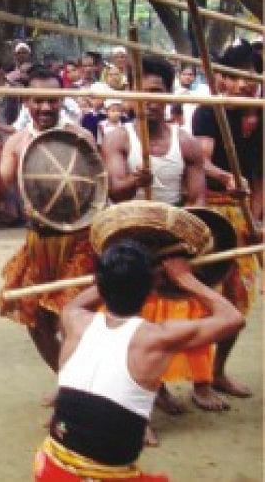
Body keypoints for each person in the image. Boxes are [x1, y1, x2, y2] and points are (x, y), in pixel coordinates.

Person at [34, 240, 243, 481]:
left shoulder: (74, 319)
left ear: (100, 283)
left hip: (49, 469)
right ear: (152, 288)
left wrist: (112, 276)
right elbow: (233, 318)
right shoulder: (157, 338)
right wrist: (186, 278)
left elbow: (74, 303)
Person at [102, 56, 217, 426]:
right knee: (135, 320)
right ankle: (145, 403)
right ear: (130, 94)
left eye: (156, 92)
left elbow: (198, 199)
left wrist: (185, 239)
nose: (149, 100)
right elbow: (116, 191)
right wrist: (136, 181)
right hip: (129, 237)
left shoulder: (186, 142)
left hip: (171, 236)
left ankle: (195, 383)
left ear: (169, 94)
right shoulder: (119, 138)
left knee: (187, 310)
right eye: (141, 91)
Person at [0, 66, 97, 373]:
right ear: (26, 101)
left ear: (61, 99)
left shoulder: (80, 137)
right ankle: (66, 380)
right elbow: (4, 187)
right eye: (38, 100)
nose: (45, 107)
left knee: (74, 315)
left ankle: (83, 382)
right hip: (38, 240)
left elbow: (97, 189)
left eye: (52, 100)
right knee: (36, 319)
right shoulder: (16, 142)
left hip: (79, 238)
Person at [192, 40, 262, 400]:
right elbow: (201, 160)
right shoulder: (209, 111)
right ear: (222, 79)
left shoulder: (260, 113)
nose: (245, 84)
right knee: (209, 299)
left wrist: (256, 219)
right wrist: (225, 177)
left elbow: (261, 177)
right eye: (237, 77)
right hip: (211, 213)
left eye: (252, 76)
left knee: (237, 302)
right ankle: (200, 381)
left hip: (244, 213)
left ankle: (218, 372)